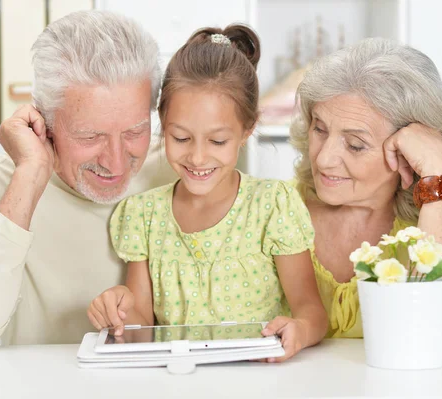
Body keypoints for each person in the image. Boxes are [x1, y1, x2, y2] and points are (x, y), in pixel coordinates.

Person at [0, 10, 176, 349]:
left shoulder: (179, 172)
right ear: (44, 122)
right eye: (90, 136)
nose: (116, 162)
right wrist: (31, 171)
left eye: (135, 131)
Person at [87, 25, 328, 363]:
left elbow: (312, 312)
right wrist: (120, 311)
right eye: (181, 138)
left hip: (260, 380)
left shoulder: (272, 206)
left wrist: (299, 330)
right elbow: (143, 328)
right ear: (162, 121)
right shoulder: (143, 215)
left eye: (217, 141)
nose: (197, 158)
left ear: (247, 130)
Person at [289, 38, 442, 341]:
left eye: (355, 144)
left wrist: (438, 175)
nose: (323, 158)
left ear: (409, 148)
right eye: (319, 128)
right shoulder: (281, 204)